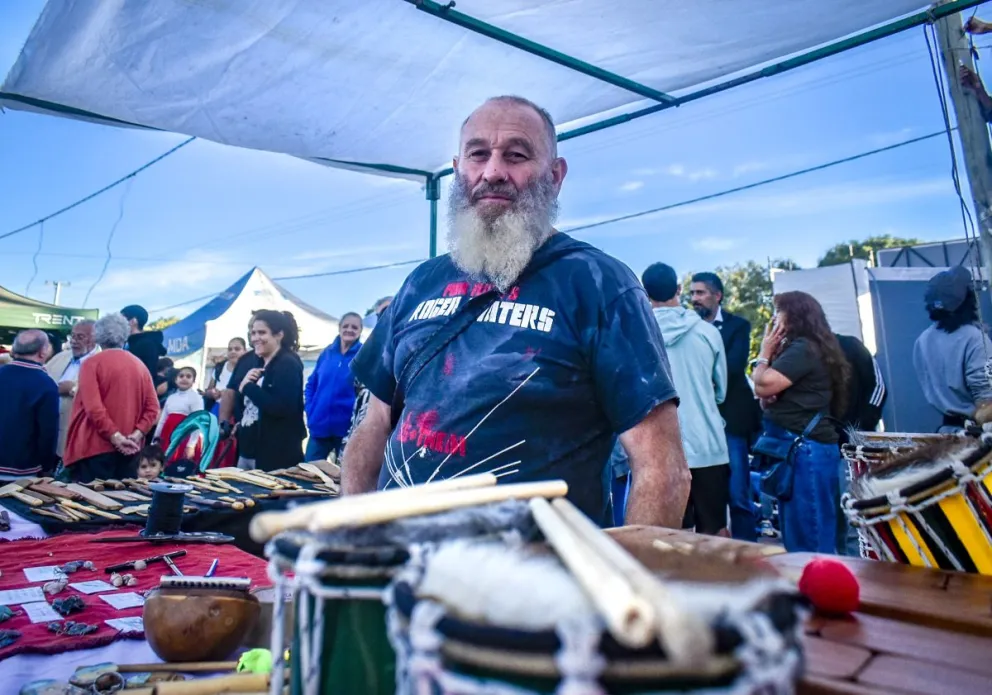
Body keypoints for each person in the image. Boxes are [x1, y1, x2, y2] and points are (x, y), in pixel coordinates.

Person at [344, 95, 690, 525]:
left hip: (535, 581)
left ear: (555, 175)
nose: (492, 172)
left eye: (516, 155)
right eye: (478, 155)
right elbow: (374, 425)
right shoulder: (421, 282)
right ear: (458, 170)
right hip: (403, 571)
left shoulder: (600, 284)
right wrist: (352, 545)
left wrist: (631, 584)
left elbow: (661, 468)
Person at [752, 291, 849, 553]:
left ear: (794, 316)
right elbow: (767, 395)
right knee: (801, 539)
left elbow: (762, 384)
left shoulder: (803, 348)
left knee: (812, 542)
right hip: (802, 451)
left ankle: (820, 593)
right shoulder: (804, 348)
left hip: (807, 451)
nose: (773, 319)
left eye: (778, 312)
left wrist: (764, 352)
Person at [644, 263, 730, 535]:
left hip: (659, 449)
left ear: (646, 294)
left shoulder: (638, 336)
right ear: (679, 289)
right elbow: (720, 392)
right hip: (708, 446)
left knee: (671, 537)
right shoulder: (708, 332)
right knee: (715, 533)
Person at [690, 271, 760, 541]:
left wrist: (698, 375)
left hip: (731, 421)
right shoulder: (688, 328)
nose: (694, 299)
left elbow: (733, 366)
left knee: (738, 494)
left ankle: (747, 556)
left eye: (700, 293)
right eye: (692, 293)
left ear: (717, 295)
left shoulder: (737, 326)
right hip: (700, 425)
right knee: (704, 498)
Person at [64, 313, 161, 483]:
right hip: (132, 447)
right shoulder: (139, 365)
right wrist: (136, 435)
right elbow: (153, 408)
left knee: (90, 502)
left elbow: (93, 408)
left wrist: (115, 437)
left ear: (98, 337)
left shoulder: (91, 364)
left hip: (93, 447)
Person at [913, 266, 992, 431]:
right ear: (968, 300)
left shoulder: (923, 340)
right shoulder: (975, 339)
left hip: (947, 433)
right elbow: (986, 405)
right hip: (979, 438)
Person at [237, 310, 306, 471]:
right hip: (249, 451)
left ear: (279, 334)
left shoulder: (288, 363)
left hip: (274, 455)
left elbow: (281, 407)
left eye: (262, 332)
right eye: (253, 333)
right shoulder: (259, 363)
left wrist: (247, 387)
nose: (255, 338)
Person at [304, 312, 364, 461]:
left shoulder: (364, 354)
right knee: (309, 472)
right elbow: (311, 384)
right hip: (319, 426)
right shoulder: (327, 353)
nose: (349, 330)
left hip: (347, 430)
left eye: (354, 327)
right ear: (339, 328)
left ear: (360, 330)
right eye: (346, 326)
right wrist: (311, 410)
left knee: (344, 478)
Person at [0, 330, 60, 479]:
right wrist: (47, 466)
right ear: (43, 352)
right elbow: (48, 432)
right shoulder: (46, 384)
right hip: (21, 471)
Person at [342, 297, 394, 453]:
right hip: (358, 434)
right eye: (381, 314)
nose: (387, 317)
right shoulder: (368, 353)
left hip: (387, 445)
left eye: (390, 310)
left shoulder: (409, 351)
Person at [44, 319, 99, 457]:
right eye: (72, 336)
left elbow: (104, 396)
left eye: (80, 337)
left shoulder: (102, 362)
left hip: (79, 439)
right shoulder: (60, 357)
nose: (73, 341)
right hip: (49, 432)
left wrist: (73, 389)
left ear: (95, 338)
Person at [153, 366, 205, 443]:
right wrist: (156, 438)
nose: (184, 378)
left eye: (188, 376)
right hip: (167, 436)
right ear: (176, 380)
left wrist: (191, 445)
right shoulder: (171, 398)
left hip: (185, 437)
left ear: (193, 381)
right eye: (181, 376)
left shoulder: (196, 398)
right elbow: (162, 420)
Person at [121, 304, 168, 389]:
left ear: (133, 321)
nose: (119, 325)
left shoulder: (146, 344)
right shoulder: (128, 343)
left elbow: (148, 374)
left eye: (122, 320)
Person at [204, 338, 247, 413]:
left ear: (245, 351)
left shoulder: (248, 369)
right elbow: (208, 391)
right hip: (217, 408)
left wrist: (228, 394)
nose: (233, 352)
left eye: (237, 349)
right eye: (230, 349)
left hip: (239, 410)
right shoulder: (219, 367)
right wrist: (213, 393)